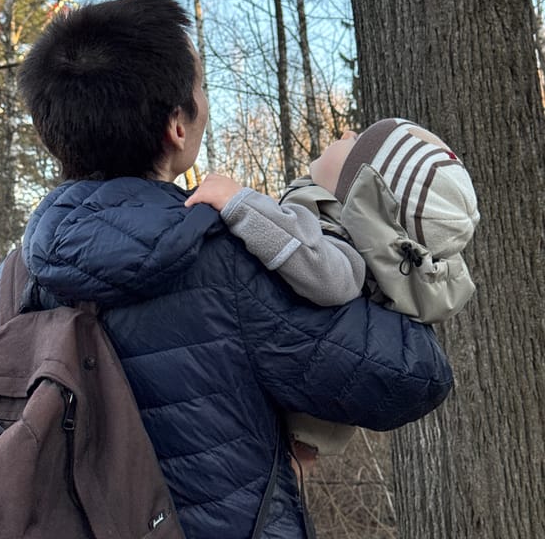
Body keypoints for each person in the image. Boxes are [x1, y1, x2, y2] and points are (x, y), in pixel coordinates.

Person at [0, 0, 453, 539]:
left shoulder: (9, 281)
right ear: (177, 127)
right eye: (201, 88)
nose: (205, 100)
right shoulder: (221, 261)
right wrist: (336, 208)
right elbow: (413, 375)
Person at [185, 118, 479, 471]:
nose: (347, 134)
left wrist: (239, 203)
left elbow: (329, 278)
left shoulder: (345, 242)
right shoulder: (348, 223)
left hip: (281, 420)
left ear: (361, 189)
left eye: (356, 145)